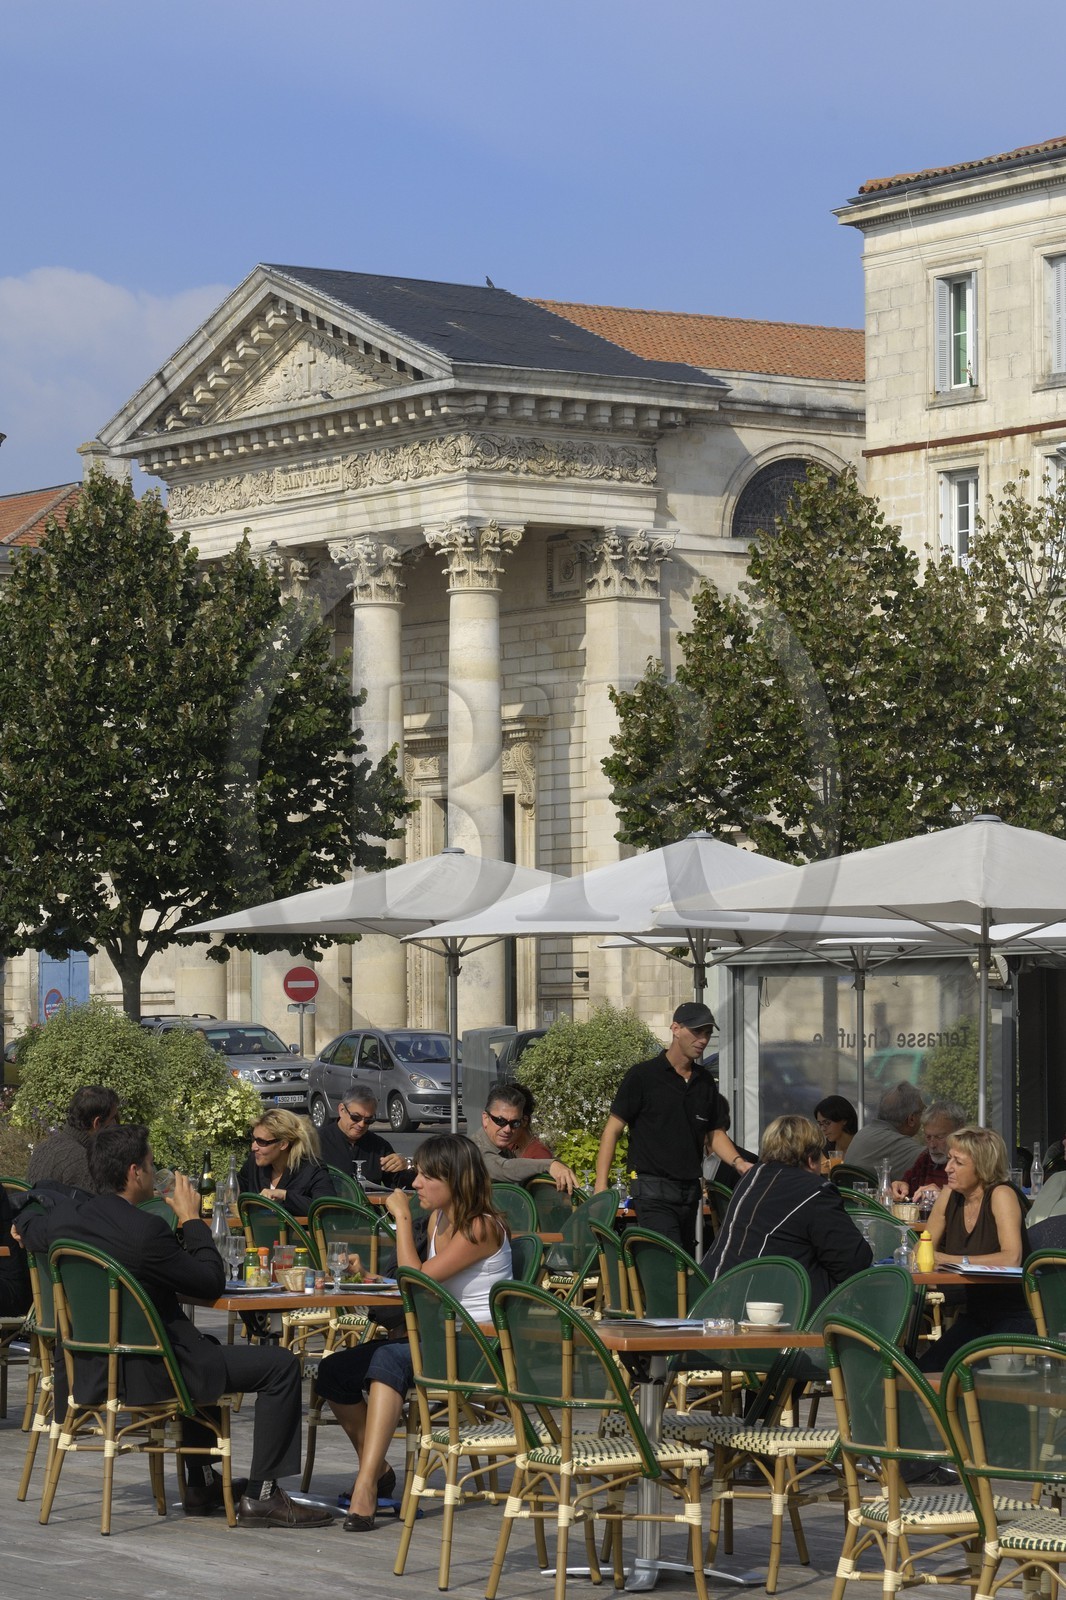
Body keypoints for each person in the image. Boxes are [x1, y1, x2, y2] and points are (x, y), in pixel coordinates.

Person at [16, 1123, 331, 1526]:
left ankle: (200, 1484)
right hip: (149, 1373)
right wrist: (190, 1218)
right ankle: (263, 1495)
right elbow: (209, 1281)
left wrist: (20, 1227)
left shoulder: (63, 1223)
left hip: (86, 1371)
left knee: (201, 1346)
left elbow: (29, 1222)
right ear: (134, 1172)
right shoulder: (145, 1232)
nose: (154, 1171)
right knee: (281, 1365)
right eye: (150, 1164)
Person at [314, 1132, 511, 1533]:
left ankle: (365, 1487)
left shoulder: (481, 1228)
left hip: (478, 1349)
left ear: (454, 1180)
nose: (414, 1183)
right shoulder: (440, 1219)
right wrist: (366, 1277)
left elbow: (415, 1280)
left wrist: (401, 1219)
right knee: (334, 1371)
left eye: (424, 1176)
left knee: (389, 1358)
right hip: (439, 1342)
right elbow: (417, 1286)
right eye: (416, 1174)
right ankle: (381, 1468)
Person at [594, 1002, 751, 1255]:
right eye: (697, 1031)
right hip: (651, 1191)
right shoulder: (643, 1076)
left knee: (683, 1267)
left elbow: (715, 1132)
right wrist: (601, 1186)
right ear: (675, 1028)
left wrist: (738, 1163)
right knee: (670, 1264)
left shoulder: (705, 1081)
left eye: (708, 1033)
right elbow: (612, 1130)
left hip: (690, 1195)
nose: (703, 1039)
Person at [702, 1114, 872, 1306]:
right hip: (765, 1308)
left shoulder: (752, 1177)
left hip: (712, 1294)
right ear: (811, 1159)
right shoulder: (816, 1190)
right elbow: (853, 1263)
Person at [919, 1124, 1033, 1370]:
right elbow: (924, 1247)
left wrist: (951, 1260)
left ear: (982, 1167)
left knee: (982, 1377)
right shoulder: (950, 1194)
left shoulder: (1001, 1194)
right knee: (926, 1371)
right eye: (949, 1159)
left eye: (958, 1163)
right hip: (976, 1314)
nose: (948, 1168)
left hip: (1015, 1313)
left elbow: (1012, 1258)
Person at [472, 1081, 577, 1190]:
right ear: (485, 1119)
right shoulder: (472, 1151)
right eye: (500, 1121)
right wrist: (549, 1165)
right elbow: (504, 1168)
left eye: (515, 1123)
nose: (507, 1129)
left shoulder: (504, 1151)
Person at [237, 1107, 335, 1215]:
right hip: (255, 1231)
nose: (253, 1147)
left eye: (261, 1142)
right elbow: (236, 1190)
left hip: (296, 1232)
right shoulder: (254, 1163)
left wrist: (284, 1195)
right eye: (254, 1139)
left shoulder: (312, 1169)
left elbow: (327, 1207)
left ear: (283, 1144)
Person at [26, 1085, 120, 1194]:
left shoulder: (43, 1147)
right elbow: (97, 1209)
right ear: (97, 1123)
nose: (116, 1124)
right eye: (113, 1118)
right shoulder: (82, 1161)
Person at [318, 1093, 410, 1188]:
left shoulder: (379, 1146)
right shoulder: (316, 1143)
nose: (361, 1124)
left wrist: (404, 1166)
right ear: (341, 1110)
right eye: (355, 1117)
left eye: (368, 1120)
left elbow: (402, 1187)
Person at [843, 1082, 924, 1182]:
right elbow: (934, 1161)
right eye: (922, 1112)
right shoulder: (900, 1145)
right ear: (911, 1119)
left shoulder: (863, 1133)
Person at [890, 1101, 967, 1207]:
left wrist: (942, 1196)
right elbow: (907, 1185)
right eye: (928, 1137)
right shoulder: (926, 1159)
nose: (932, 1145)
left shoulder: (971, 1162)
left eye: (940, 1137)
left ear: (960, 1130)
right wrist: (901, 1187)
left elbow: (976, 1204)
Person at [814, 1095, 857, 1159]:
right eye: (820, 1124)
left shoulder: (860, 1145)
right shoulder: (826, 1148)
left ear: (844, 1119)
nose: (822, 1129)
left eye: (827, 1123)